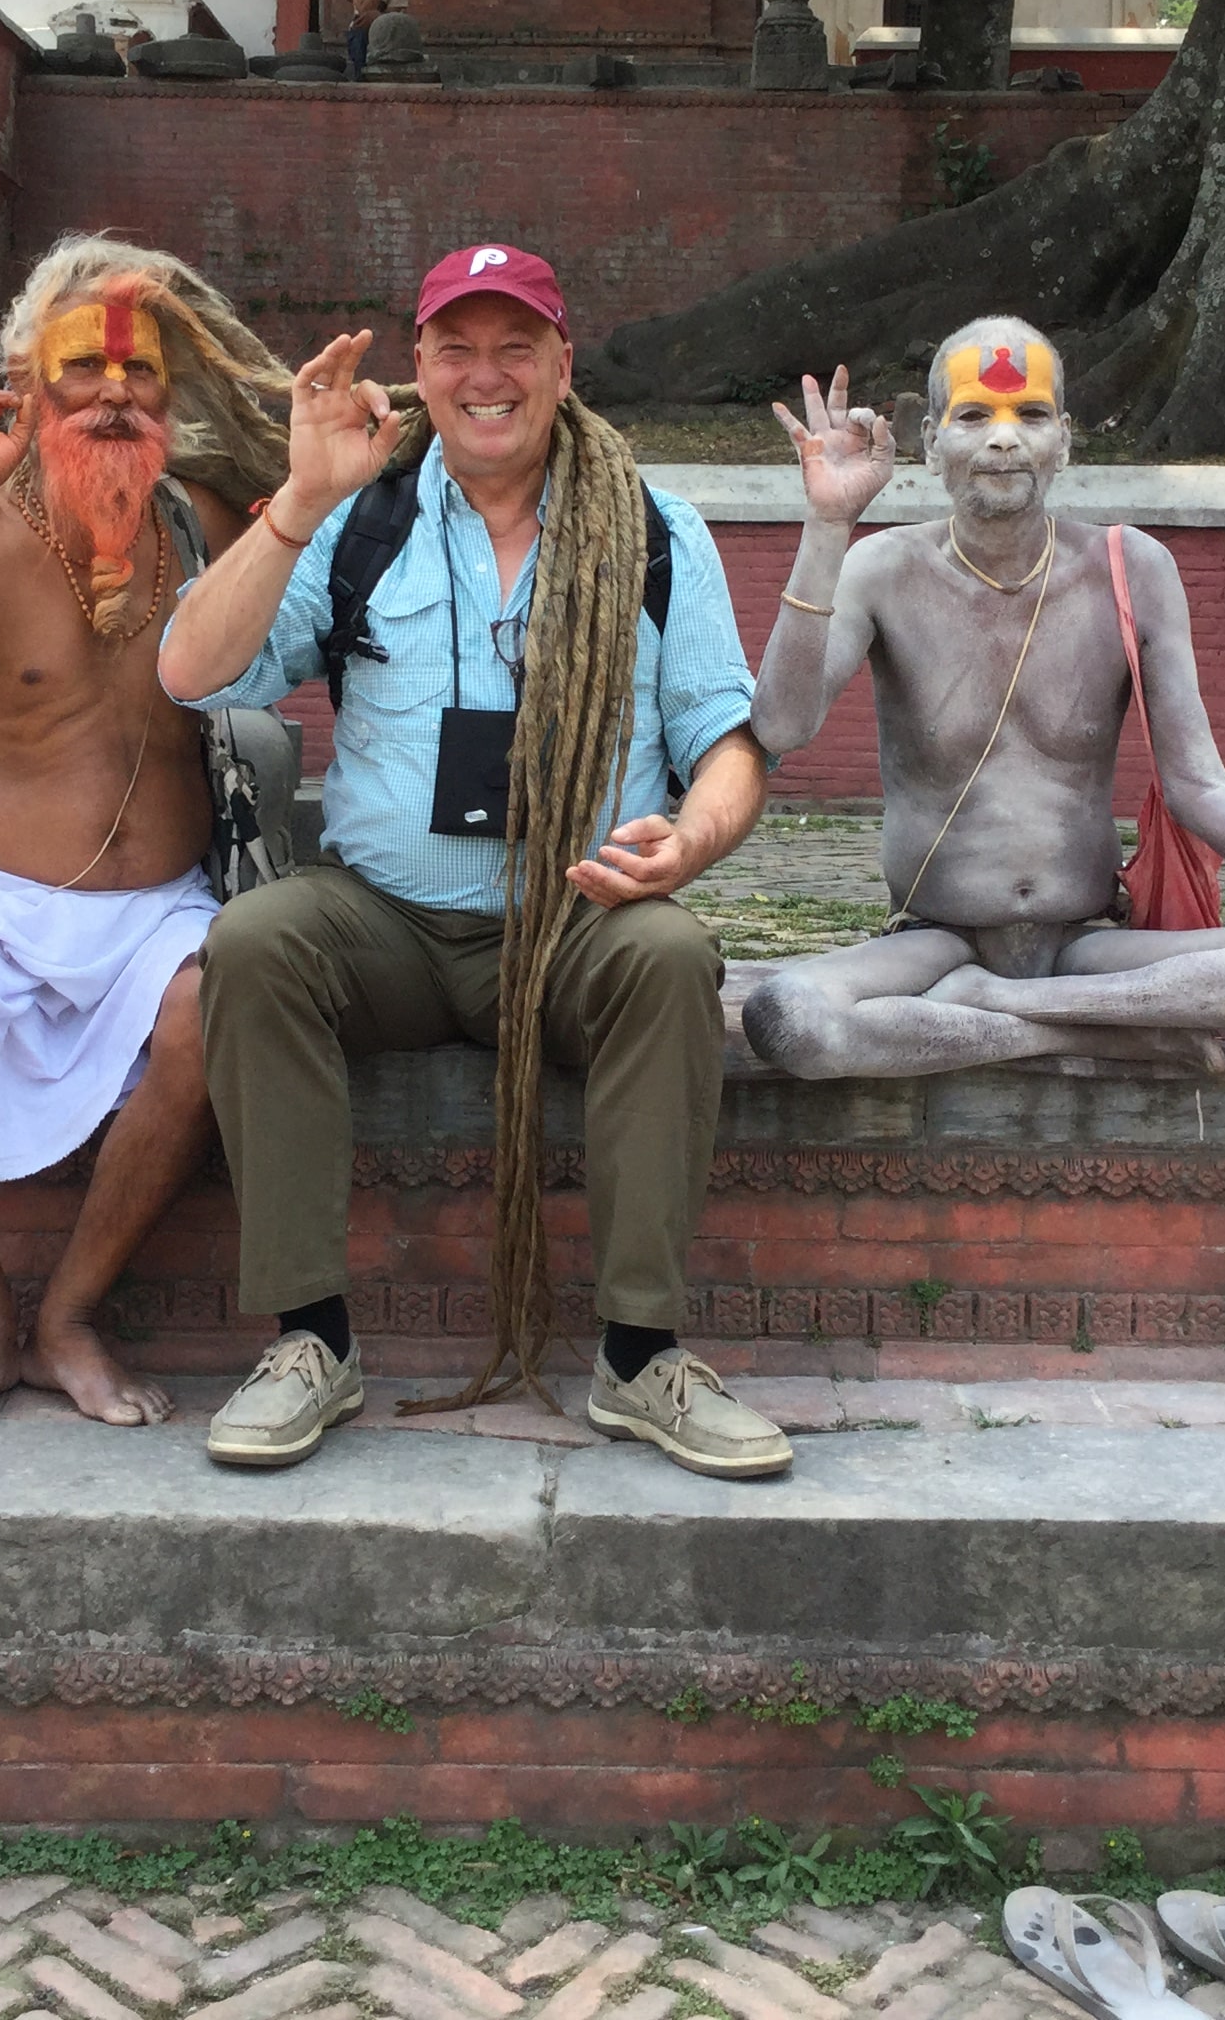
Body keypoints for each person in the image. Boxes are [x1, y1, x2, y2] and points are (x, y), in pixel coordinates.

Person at [158, 244, 790, 1480]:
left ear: (563, 363)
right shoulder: (357, 521)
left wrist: (693, 839)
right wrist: (294, 500)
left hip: (576, 921)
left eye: (516, 347)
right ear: (421, 367)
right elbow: (194, 674)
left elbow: (729, 740)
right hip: (384, 921)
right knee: (255, 941)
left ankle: (640, 1356)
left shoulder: (657, 531)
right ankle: (310, 1341)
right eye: (457, 347)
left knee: (672, 958)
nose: (484, 375)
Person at [0, 235, 290, 1433]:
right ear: (28, 378)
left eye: (143, 370)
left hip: (159, 914)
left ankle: (70, 1313)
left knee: (209, 1010)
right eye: (86, 367)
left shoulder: (206, 518)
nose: (118, 392)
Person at [739, 318, 1225, 1078]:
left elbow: (1199, 785)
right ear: (931, 441)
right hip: (934, 942)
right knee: (792, 1019)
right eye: (975, 414)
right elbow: (782, 727)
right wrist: (827, 527)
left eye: (1032, 415)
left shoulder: (1132, 567)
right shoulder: (880, 568)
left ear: (1065, 441)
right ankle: (1096, 1032)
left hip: (1088, 941)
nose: (1004, 439)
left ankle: (994, 1011)